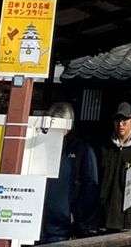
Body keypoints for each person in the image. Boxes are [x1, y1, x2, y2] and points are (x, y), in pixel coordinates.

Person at [38, 101, 99, 244]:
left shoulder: (81, 149)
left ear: (68, 125)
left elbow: (91, 185)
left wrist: (76, 214)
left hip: (63, 227)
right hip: (36, 221)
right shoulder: (40, 145)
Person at [98, 101, 131, 231]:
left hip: (130, 217)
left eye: (124, 120)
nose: (120, 125)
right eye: (117, 121)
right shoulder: (106, 146)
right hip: (105, 214)